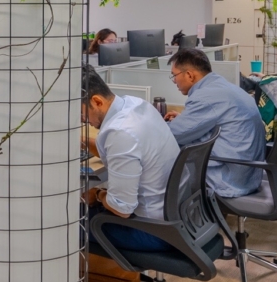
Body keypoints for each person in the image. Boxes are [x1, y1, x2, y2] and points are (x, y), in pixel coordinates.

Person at [81, 66, 181, 252]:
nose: (83, 120)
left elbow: (122, 209)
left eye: (82, 114)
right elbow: (124, 151)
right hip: (176, 218)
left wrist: (97, 195)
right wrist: (85, 142)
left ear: (97, 101)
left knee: (65, 219)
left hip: (151, 231)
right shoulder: (138, 105)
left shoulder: (120, 133)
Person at [164, 48, 266, 198]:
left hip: (229, 178)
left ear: (189, 75)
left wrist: (154, 124)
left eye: (174, 75)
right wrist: (185, 119)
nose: (174, 81)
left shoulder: (205, 97)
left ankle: (166, 208)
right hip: (248, 172)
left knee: (167, 150)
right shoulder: (221, 86)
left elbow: (174, 134)